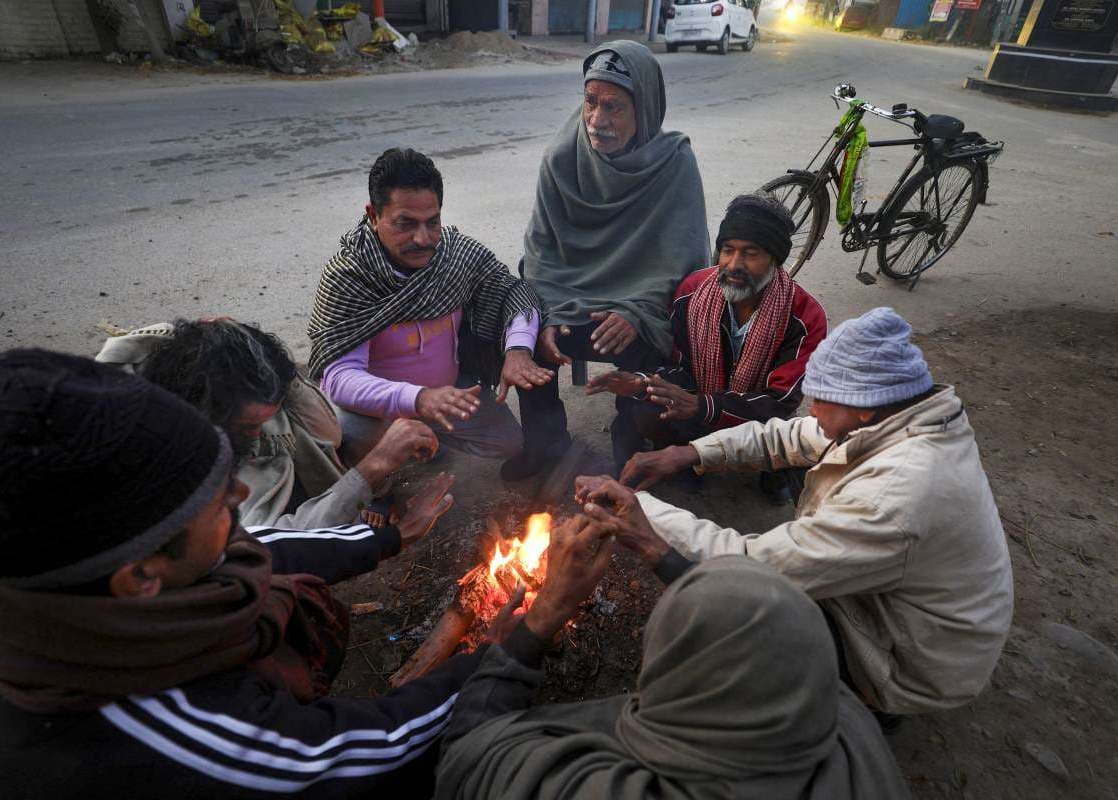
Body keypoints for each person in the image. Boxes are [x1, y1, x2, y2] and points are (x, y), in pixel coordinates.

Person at [0, 349, 588, 800]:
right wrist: (528, 632)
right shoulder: (174, 737)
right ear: (140, 578)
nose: (240, 500)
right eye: (217, 500)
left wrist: (381, 535)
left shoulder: (20, 589)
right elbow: (384, 751)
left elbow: (255, 548)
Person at [594, 308, 1015, 716]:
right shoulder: (896, 418)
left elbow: (753, 567)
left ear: (863, 405)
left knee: (730, 615)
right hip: (907, 614)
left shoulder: (896, 494)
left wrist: (640, 510)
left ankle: (858, 706)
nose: (810, 411)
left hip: (912, 663)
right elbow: (786, 436)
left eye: (819, 400)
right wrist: (688, 452)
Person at [435, 555, 909, 799]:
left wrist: (543, 618)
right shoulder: (853, 728)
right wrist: (661, 554)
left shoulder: (599, 789)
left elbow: (466, 756)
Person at [504, 40, 711, 480]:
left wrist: (638, 312)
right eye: (591, 103)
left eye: (614, 107)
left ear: (645, 108)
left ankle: (630, 436)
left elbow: (687, 265)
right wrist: (551, 310)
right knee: (526, 325)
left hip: (633, 304)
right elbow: (539, 250)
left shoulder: (674, 163)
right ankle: (545, 443)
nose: (598, 121)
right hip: (567, 296)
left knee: (653, 335)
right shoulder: (561, 158)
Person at [308, 147, 549, 473]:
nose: (423, 239)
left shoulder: (454, 254)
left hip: (447, 395)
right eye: (405, 223)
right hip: (379, 412)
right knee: (352, 437)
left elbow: (512, 291)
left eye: (432, 222)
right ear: (373, 215)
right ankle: (379, 488)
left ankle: (425, 446)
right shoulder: (349, 275)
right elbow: (339, 378)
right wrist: (418, 398)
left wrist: (518, 349)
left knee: (507, 442)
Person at [587, 194, 827, 503]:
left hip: (758, 415)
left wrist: (702, 406)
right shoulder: (693, 293)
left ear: (775, 261)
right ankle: (691, 459)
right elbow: (679, 366)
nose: (734, 265)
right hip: (700, 397)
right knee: (647, 409)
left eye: (751, 254)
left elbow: (779, 402)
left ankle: (770, 469)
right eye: (727, 251)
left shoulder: (805, 316)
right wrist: (642, 383)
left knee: (795, 435)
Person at [98, 318, 442, 532]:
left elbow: (327, 433)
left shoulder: (199, 355)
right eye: (251, 427)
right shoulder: (170, 448)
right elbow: (270, 544)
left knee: (358, 428)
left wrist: (283, 376)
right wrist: (373, 469)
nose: (262, 432)